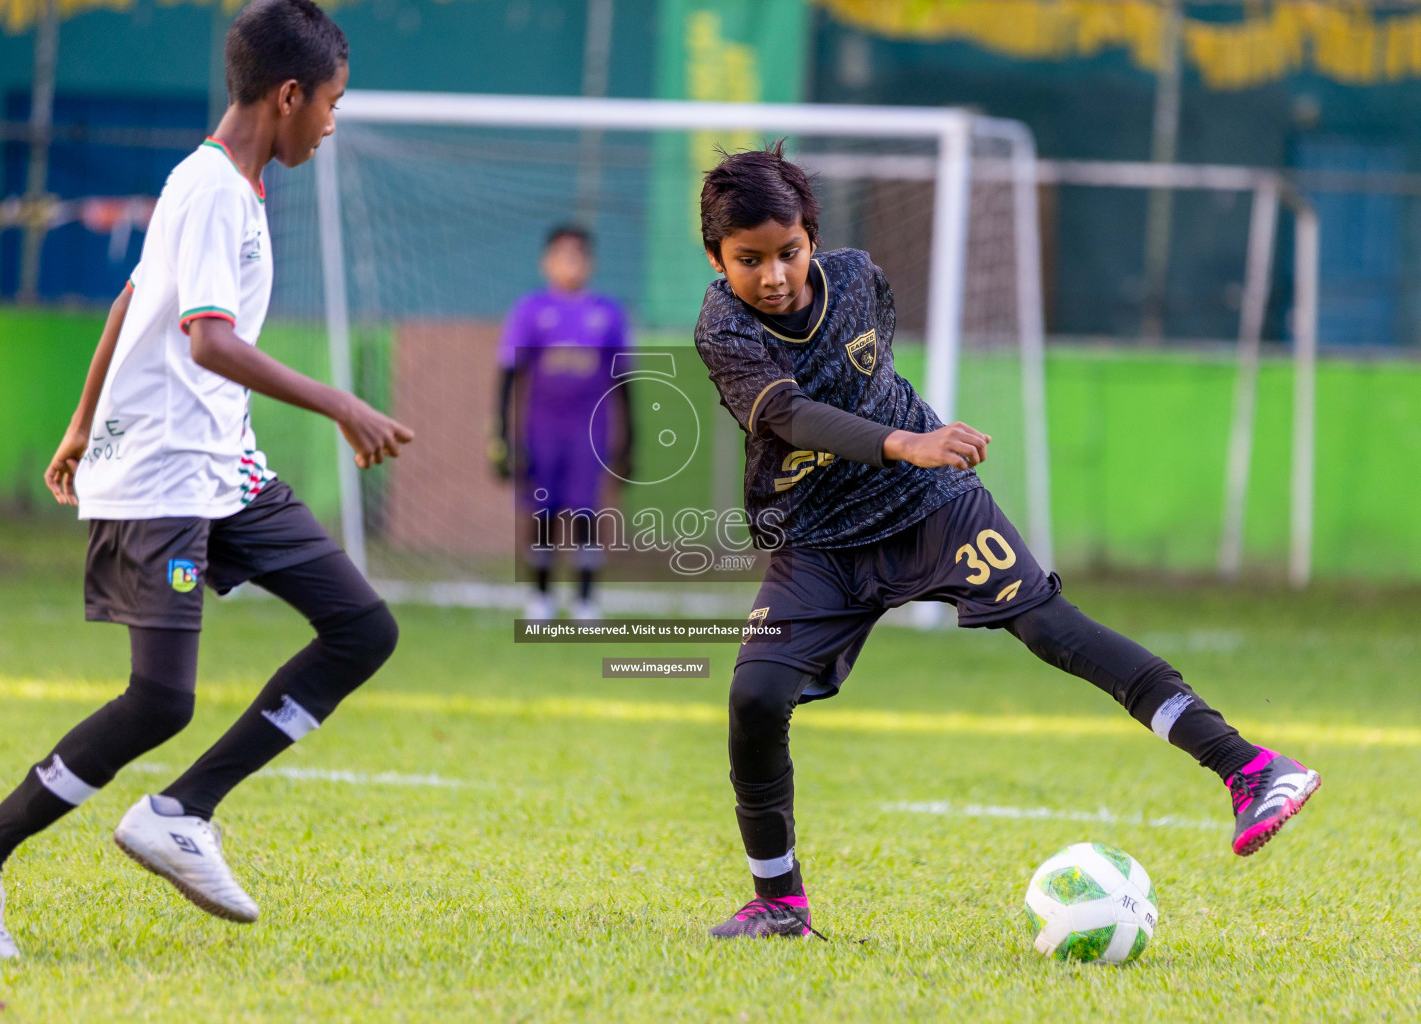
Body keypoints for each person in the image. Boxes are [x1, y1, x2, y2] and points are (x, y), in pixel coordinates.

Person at [691, 142, 1321, 940]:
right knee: (754, 696)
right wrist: (899, 440)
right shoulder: (723, 327)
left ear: (812, 237)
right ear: (717, 259)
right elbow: (787, 416)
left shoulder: (857, 280)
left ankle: (1253, 769)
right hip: (818, 539)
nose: (774, 275)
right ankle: (779, 904)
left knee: (1050, 626)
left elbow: (875, 378)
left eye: (788, 252)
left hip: (930, 504)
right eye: (750, 261)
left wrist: (909, 451)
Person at [0, 0, 412, 958]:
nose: (334, 124)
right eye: (332, 104)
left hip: (224, 469)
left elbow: (134, 295)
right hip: (165, 483)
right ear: (290, 94)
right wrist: (339, 403)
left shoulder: (224, 185)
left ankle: (185, 808)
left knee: (362, 628)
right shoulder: (213, 189)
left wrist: (76, 423)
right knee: (159, 702)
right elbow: (208, 339)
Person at [492, 226, 632, 620]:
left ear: (591, 263)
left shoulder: (608, 312)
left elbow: (625, 382)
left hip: (590, 430)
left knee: (586, 512)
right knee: (543, 512)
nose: (571, 264)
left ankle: (586, 600)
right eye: (563, 255)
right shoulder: (530, 310)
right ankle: (541, 596)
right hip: (542, 430)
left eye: (579, 256)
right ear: (547, 262)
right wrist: (501, 435)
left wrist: (631, 439)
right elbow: (508, 376)